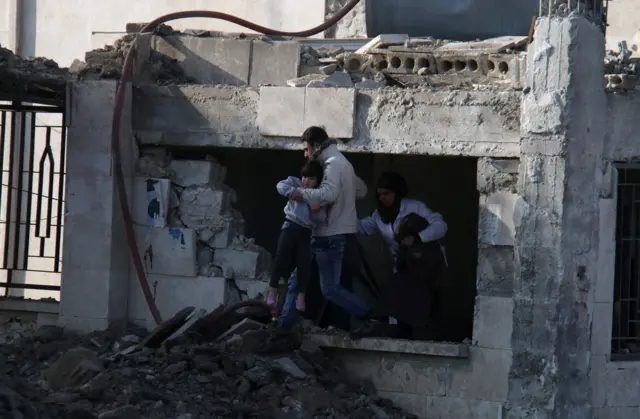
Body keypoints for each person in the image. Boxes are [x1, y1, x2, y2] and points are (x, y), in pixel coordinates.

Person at [290, 126, 371, 321]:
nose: (305, 154)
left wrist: (298, 193)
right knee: (317, 285)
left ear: (316, 146)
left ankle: (368, 315)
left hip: (330, 234)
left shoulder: (333, 164)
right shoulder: (342, 163)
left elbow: (328, 194)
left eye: (307, 149)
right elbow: (361, 190)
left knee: (327, 288)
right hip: (337, 234)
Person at [356, 171, 448, 339]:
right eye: (380, 194)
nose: (383, 198)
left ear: (397, 193)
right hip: (403, 265)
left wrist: (418, 237)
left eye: (387, 194)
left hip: (425, 266)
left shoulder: (415, 207)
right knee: (400, 300)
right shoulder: (379, 216)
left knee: (402, 293)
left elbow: (441, 226)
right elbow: (362, 226)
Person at [267, 159, 327, 319]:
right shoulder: (295, 183)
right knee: (281, 257)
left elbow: (322, 217)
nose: (306, 181)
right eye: (304, 177)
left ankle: (301, 297)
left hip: (306, 231)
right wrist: (295, 193)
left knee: (303, 264)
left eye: (311, 178)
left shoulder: (319, 194)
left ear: (318, 180)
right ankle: (272, 291)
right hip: (290, 225)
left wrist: (315, 210)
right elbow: (280, 186)